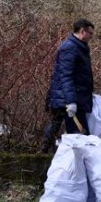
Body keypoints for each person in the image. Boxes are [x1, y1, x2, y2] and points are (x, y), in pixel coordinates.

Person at [41, 19, 95, 153]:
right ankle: (44, 153)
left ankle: (43, 152)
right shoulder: (71, 48)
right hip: (69, 100)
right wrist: (71, 101)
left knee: (56, 126)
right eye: (90, 33)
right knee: (80, 137)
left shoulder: (78, 47)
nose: (91, 36)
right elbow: (66, 76)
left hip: (69, 97)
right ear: (83, 32)